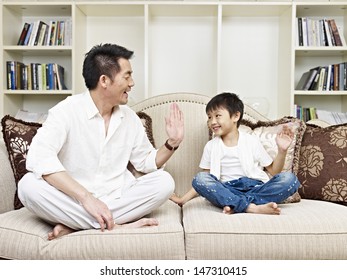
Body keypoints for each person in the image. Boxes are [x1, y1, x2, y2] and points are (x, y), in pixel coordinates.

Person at [18, 43, 184, 240]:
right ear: (104, 80)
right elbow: (40, 158)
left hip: (116, 197)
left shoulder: (129, 118)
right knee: (28, 186)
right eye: (127, 76)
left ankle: (78, 225)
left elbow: (146, 162)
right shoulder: (66, 111)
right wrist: (86, 198)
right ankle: (115, 225)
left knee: (164, 182)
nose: (132, 83)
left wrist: (172, 142)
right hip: (72, 199)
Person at [170, 92, 299, 215]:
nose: (212, 121)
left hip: (255, 187)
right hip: (226, 189)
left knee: (290, 179)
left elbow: (274, 171)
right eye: (209, 117)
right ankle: (251, 207)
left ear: (235, 116)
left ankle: (236, 204)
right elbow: (206, 177)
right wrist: (183, 200)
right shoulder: (211, 146)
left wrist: (282, 150)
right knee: (199, 179)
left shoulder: (251, 141)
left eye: (217, 116)